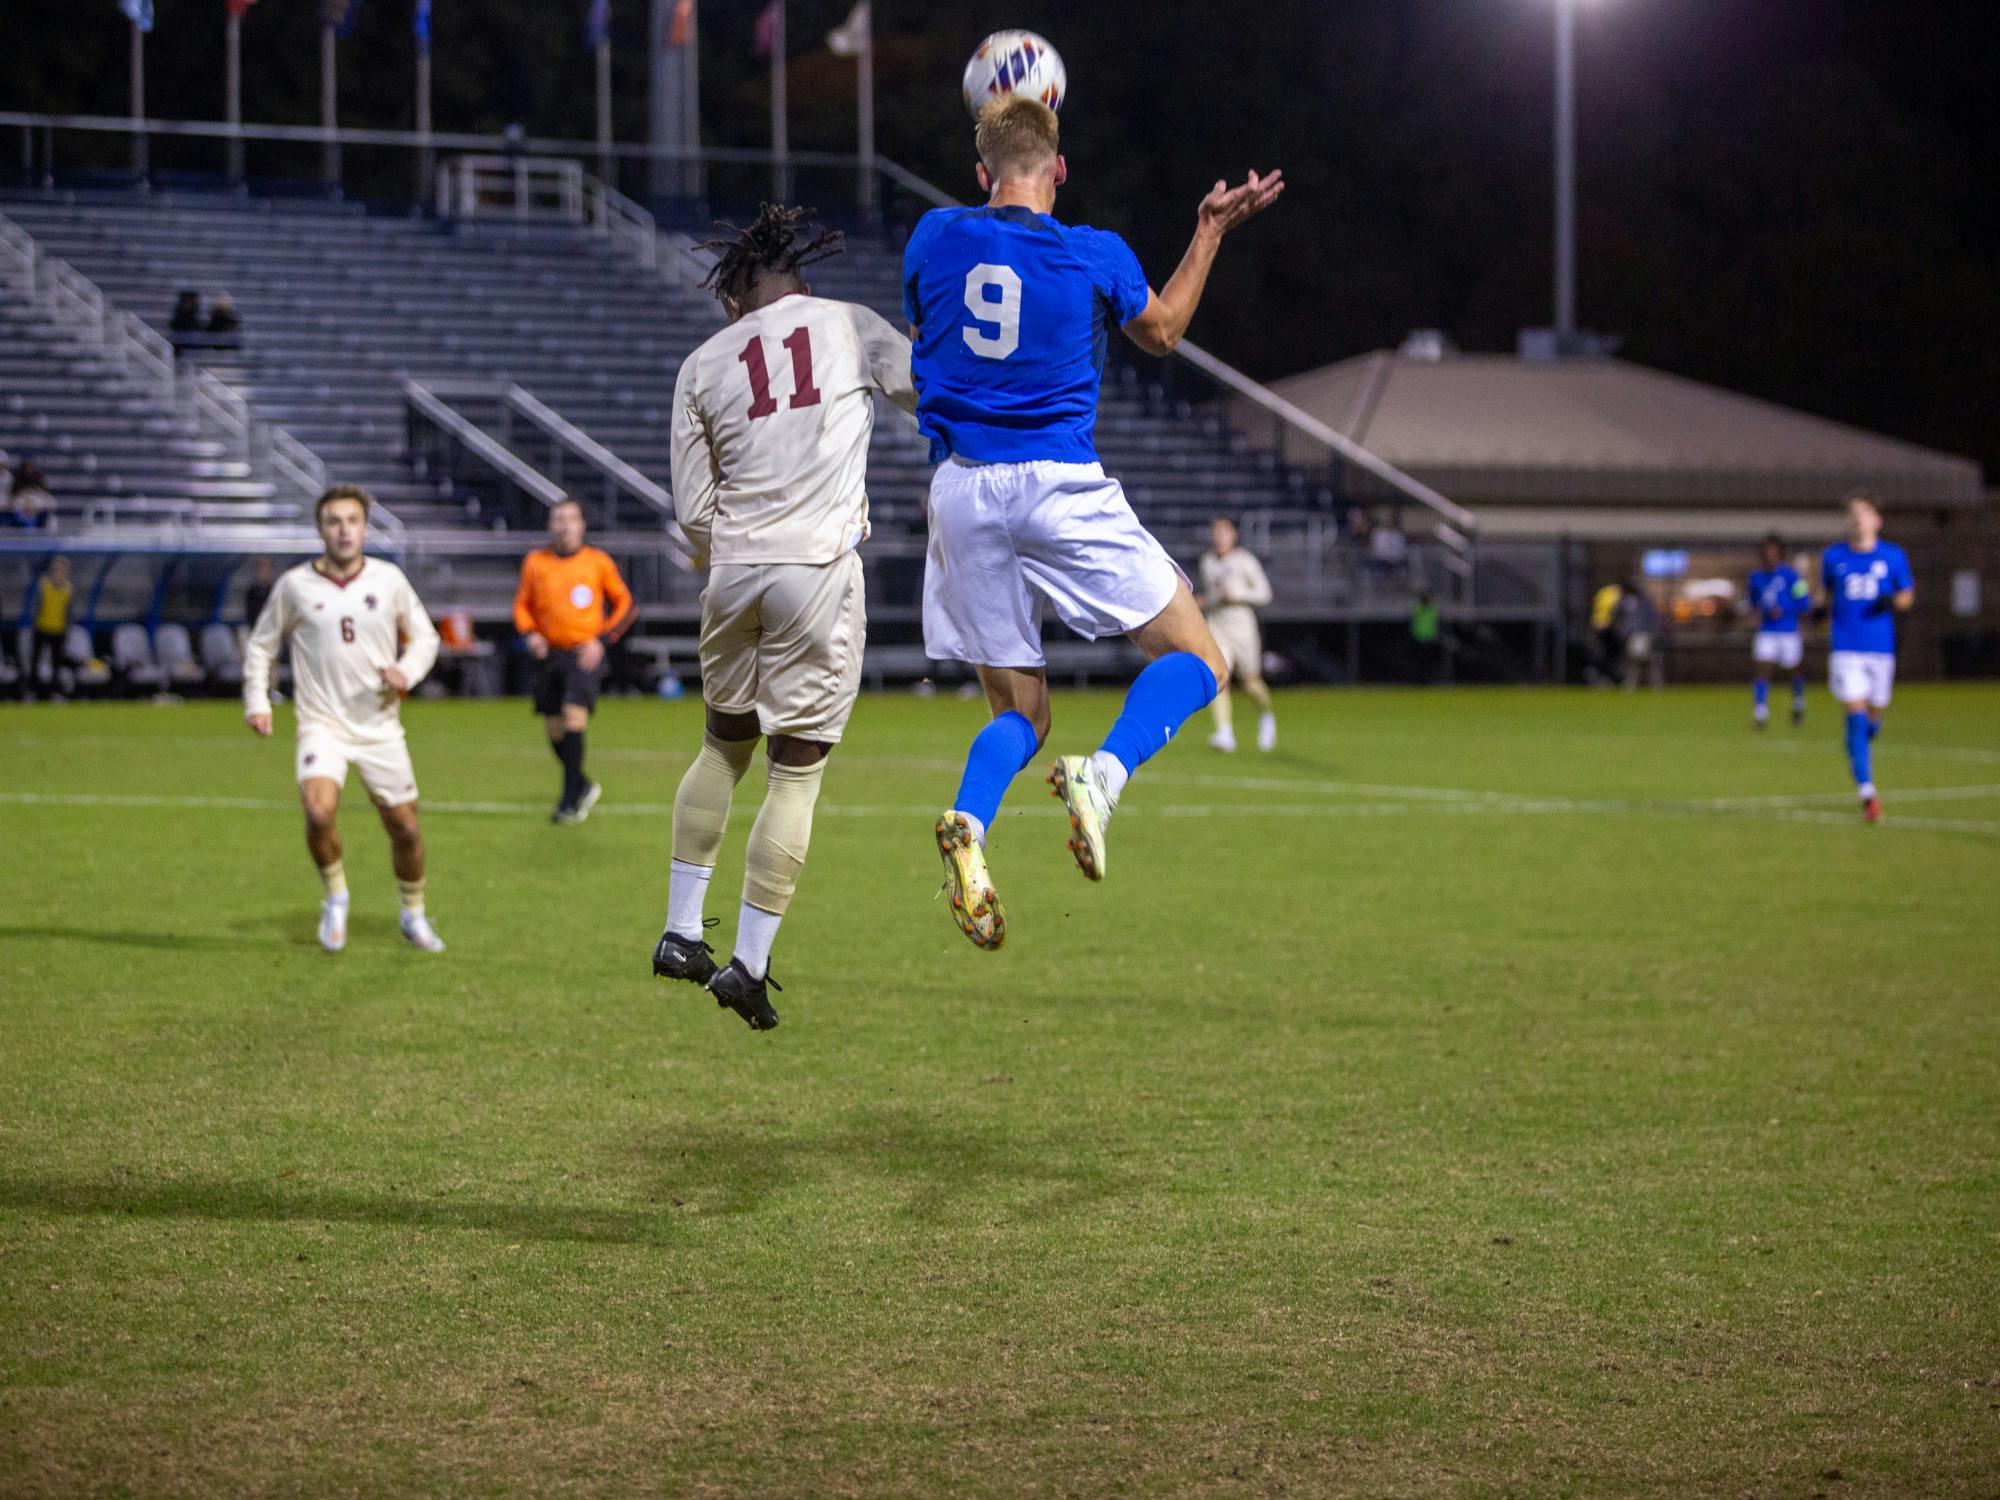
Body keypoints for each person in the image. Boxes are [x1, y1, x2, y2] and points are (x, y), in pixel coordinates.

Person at [905, 96, 1282, 948]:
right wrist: (1210, 232)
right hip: (1055, 481)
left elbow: (930, 327)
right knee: (1202, 657)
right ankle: (1102, 778)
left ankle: (971, 821)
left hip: (961, 490)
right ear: (1061, 171)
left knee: (1023, 716)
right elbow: (1166, 332)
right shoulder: (1093, 254)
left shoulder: (933, 236)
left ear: (979, 175)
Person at [654, 203, 915, 1029]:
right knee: (795, 770)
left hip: (732, 570)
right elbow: (929, 393)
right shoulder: (846, 323)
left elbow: (693, 509)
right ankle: (750, 966)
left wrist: (739, 540)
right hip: (815, 569)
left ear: (733, 299)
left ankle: (679, 931)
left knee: (722, 748)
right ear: (801, 278)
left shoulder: (701, 364)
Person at [242, 483, 445, 953]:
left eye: (352, 521)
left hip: (378, 725)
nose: (344, 530)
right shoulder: (295, 585)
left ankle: (413, 913)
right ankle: (336, 899)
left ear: (365, 527)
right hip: (321, 723)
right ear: (320, 529)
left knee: (406, 829)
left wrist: (406, 671)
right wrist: (257, 700)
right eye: (334, 521)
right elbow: (261, 645)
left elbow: (426, 638)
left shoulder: (389, 579)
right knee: (318, 811)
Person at [512, 498, 636, 823]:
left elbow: (625, 603)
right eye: (558, 519)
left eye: (571, 519)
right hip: (549, 655)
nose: (565, 525)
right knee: (554, 730)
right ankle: (581, 783)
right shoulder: (536, 562)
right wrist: (531, 634)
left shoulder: (597, 562)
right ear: (550, 526)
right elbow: (521, 605)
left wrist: (602, 640)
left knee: (572, 718)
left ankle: (568, 802)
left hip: (584, 653)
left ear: (582, 525)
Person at [1819, 493, 1914, 822]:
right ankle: (1867, 793)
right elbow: (1826, 594)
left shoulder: (1893, 556)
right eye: (1853, 514)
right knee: (1856, 718)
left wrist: (1892, 602)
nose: (1858, 519)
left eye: (1864, 513)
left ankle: (1858, 744)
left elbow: (1906, 595)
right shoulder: (1833, 557)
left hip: (1881, 650)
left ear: (1877, 520)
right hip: (1846, 649)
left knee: (1873, 719)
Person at [1197, 516, 1276, 752]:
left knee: (1251, 681)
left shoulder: (1245, 561)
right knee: (1219, 678)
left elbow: (1264, 593)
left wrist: (1238, 594)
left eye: (1224, 532)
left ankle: (1266, 714)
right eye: (1215, 532)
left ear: (1233, 535)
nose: (1219, 537)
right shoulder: (1207, 561)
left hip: (1242, 628)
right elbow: (1214, 596)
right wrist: (1204, 601)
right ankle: (1224, 733)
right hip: (1217, 626)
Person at [1746, 533, 1810, 729]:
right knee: (1763, 668)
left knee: (1793, 668)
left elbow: (1804, 601)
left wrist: (1785, 609)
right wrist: (1760, 612)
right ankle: (1760, 711)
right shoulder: (1755, 578)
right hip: (1767, 630)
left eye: (1773, 552)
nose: (1769, 556)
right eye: (1766, 553)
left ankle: (1798, 701)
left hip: (1788, 630)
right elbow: (1752, 603)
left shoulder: (1791, 576)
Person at [28, 555, 73, 698]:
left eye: (60, 569)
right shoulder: (44, 586)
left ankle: (54, 692)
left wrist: (67, 628)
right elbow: (36, 607)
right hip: (42, 628)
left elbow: (69, 612)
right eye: (55, 569)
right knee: (35, 661)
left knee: (56, 664)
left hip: (59, 630)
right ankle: (33, 692)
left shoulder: (68, 589)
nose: (58, 572)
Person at [1589, 580, 1624, 685]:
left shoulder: (1602, 593)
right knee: (1610, 655)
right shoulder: (1615, 594)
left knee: (1604, 654)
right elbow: (1614, 611)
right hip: (1606, 627)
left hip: (1597, 625)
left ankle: (1600, 676)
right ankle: (1612, 678)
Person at [1410, 591, 1443, 683]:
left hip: (1430, 638)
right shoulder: (1417, 608)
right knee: (1419, 662)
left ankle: (1429, 679)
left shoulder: (1432, 609)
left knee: (1429, 662)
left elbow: (1436, 622)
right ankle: (1419, 680)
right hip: (1419, 638)